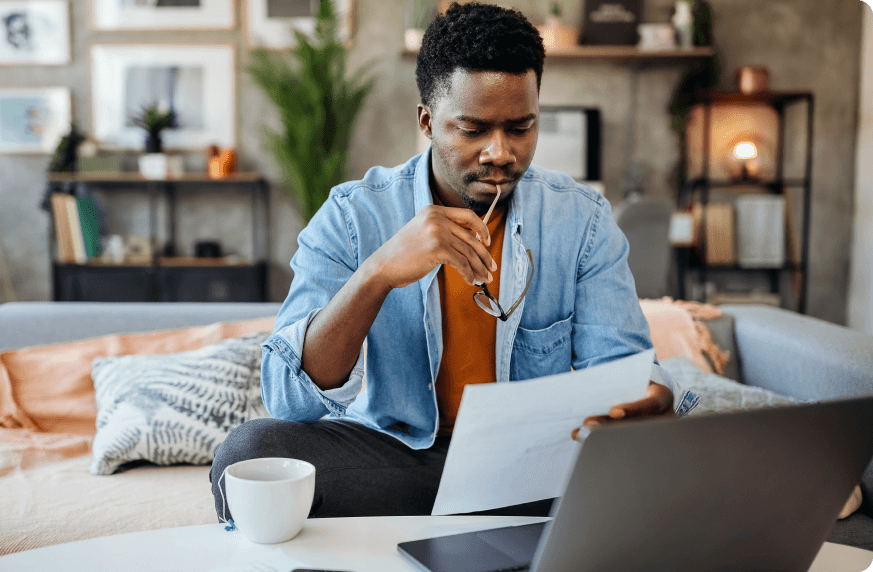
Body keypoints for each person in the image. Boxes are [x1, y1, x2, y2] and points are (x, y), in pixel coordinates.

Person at [211, 1, 688, 521]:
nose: (500, 152)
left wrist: (645, 396)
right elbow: (288, 400)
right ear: (428, 122)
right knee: (249, 455)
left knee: (682, 472)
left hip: (531, 466)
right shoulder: (353, 216)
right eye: (474, 129)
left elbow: (617, 374)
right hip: (402, 461)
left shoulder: (583, 220)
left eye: (521, 127)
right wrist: (378, 273)